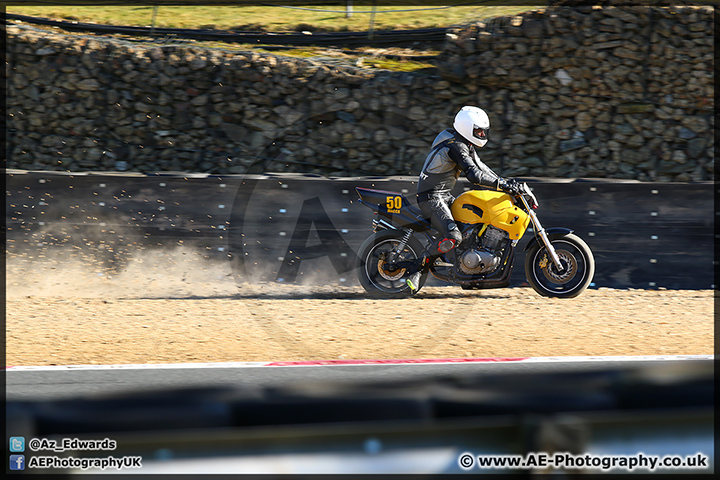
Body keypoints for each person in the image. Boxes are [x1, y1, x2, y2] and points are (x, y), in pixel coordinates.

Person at [406, 105, 520, 294]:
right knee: (453, 236)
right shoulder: (455, 146)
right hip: (432, 198)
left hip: (444, 196)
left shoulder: (464, 144)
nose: (482, 134)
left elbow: (482, 168)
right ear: (467, 127)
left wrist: (506, 183)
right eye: (479, 130)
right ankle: (417, 269)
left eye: (484, 131)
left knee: (471, 226)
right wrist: (503, 185)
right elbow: (474, 175)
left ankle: (470, 272)